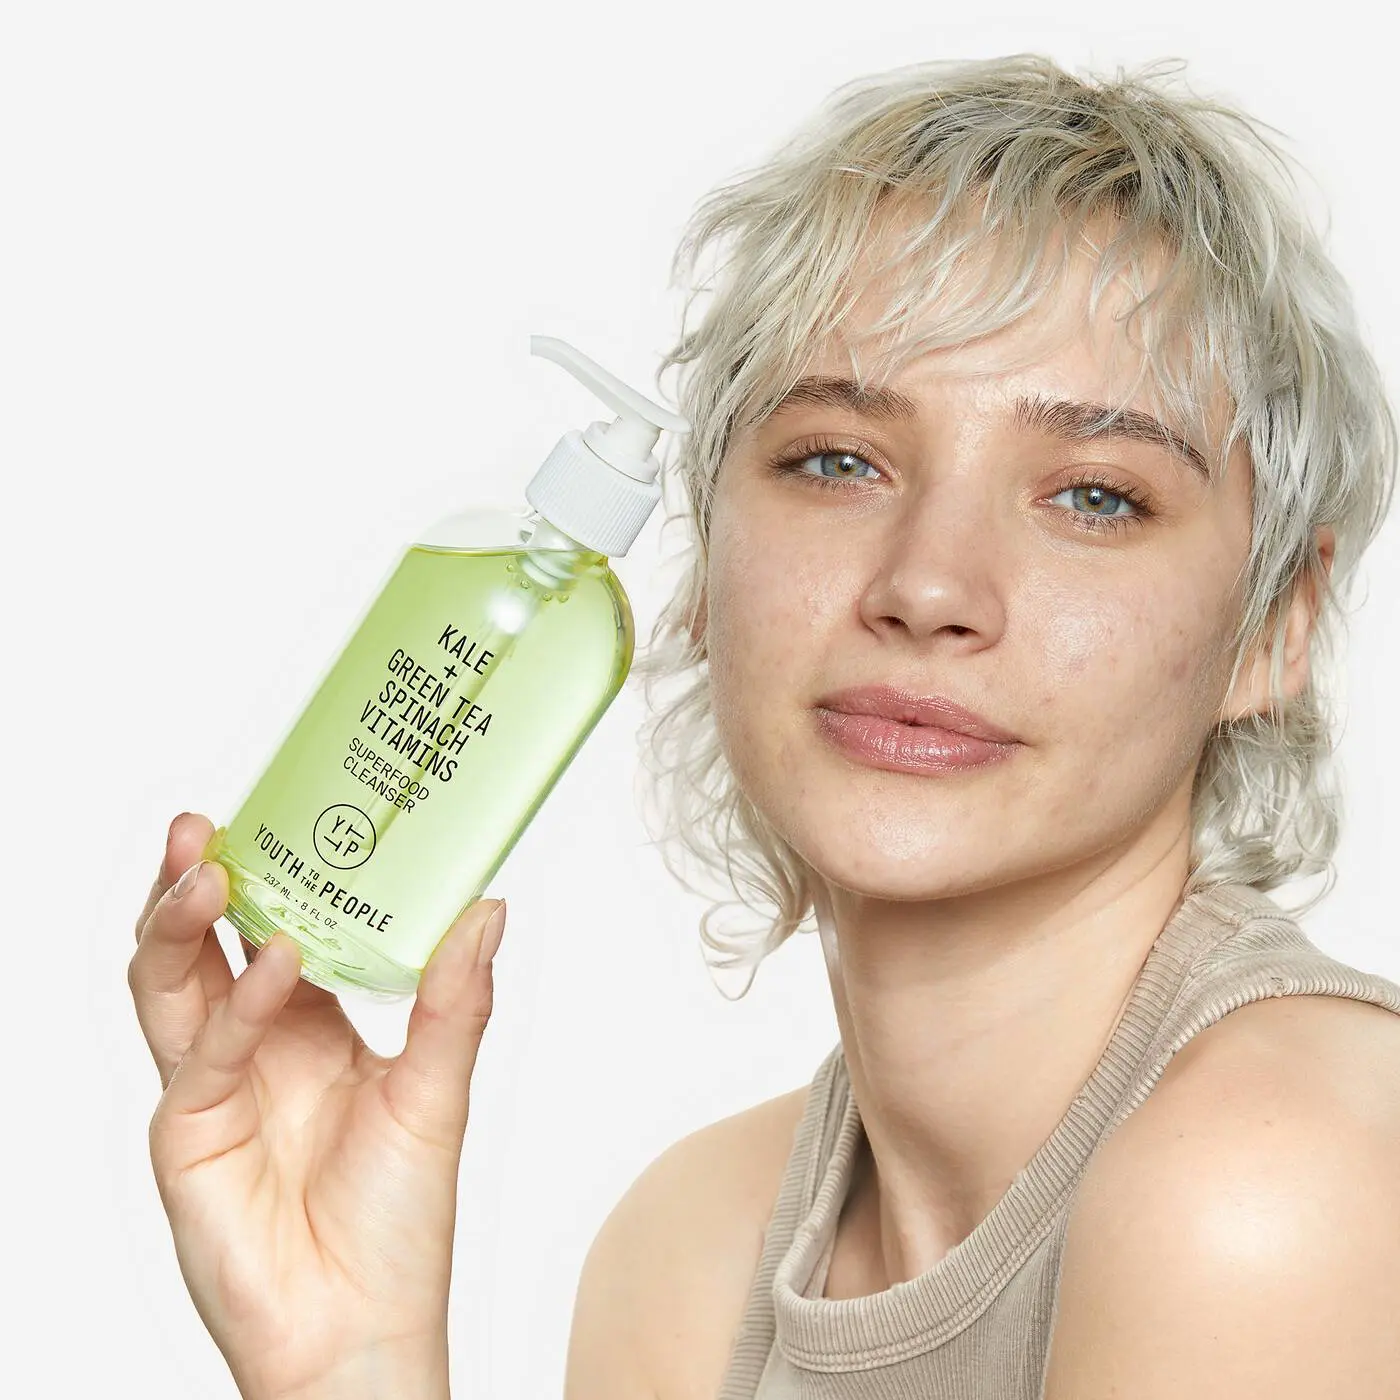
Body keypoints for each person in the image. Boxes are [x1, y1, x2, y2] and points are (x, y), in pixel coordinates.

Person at [129, 53, 1400, 1400]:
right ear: (704, 555)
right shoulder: (690, 1251)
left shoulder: (1282, 1173)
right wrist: (353, 1360)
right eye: (838, 462)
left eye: (1094, 496)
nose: (927, 586)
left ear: (1277, 626)